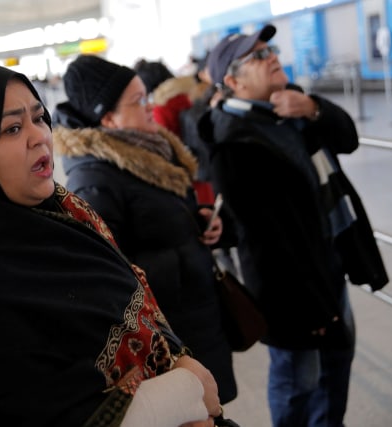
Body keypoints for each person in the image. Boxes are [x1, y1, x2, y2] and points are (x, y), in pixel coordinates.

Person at [0, 63, 223, 426]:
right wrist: (182, 393)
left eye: (39, 117)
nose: (39, 136)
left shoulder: (58, 213)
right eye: (13, 128)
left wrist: (178, 360)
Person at [198, 24, 389, 427]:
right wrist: (315, 307)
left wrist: (314, 108)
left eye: (273, 50)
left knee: (337, 365)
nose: (273, 58)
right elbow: (268, 238)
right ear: (232, 81)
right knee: (298, 381)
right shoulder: (233, 142)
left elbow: (348, 139)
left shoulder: (291, 110)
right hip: (291, 291)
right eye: (259, 57)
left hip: (330, 262)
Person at [52, 54, 237, 405]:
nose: (151, 106)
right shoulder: (94, 181)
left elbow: (159, 222)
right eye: (139, 102)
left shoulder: (152, 150)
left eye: (146, 96)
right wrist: (183, 255)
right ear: (109, 117)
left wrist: (198, 222)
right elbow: (109, 277)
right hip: (170, 334)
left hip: (195, 313)